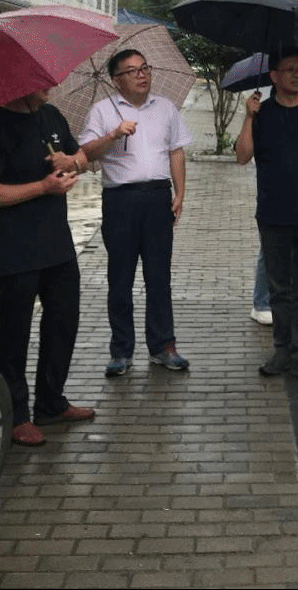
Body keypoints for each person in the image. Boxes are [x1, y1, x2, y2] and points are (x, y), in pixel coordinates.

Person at [0, 87, 95, 447]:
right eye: (42, 79)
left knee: (64, 322)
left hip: (58, 244)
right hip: (14, 247)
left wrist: (71, 163)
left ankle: (51, 403)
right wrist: (42, 186)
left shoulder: (50, 116)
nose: (50, 83)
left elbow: (81, 156)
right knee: (14, 332)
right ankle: (15, 414)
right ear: (21, 83)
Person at [80, 49, 192, 378]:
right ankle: (121, 351)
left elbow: (176, 151)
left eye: (145, 68)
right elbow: (86, 153)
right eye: (132, 71)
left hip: (158, 197)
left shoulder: (165, 108)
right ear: (116, 80)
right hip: (121, 200)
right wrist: (114, 134)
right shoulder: (102, 111)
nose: (142, 75)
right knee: (120, 278)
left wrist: (180, 192)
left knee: (159, 277)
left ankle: (163, 346)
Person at [234, 49, 298, 388]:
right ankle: (282, 351)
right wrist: (248, 117)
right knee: (278, 289)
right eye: (290, 70)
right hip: (273, 214)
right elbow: (242, 156)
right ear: (274, 77)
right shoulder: (262, 113)